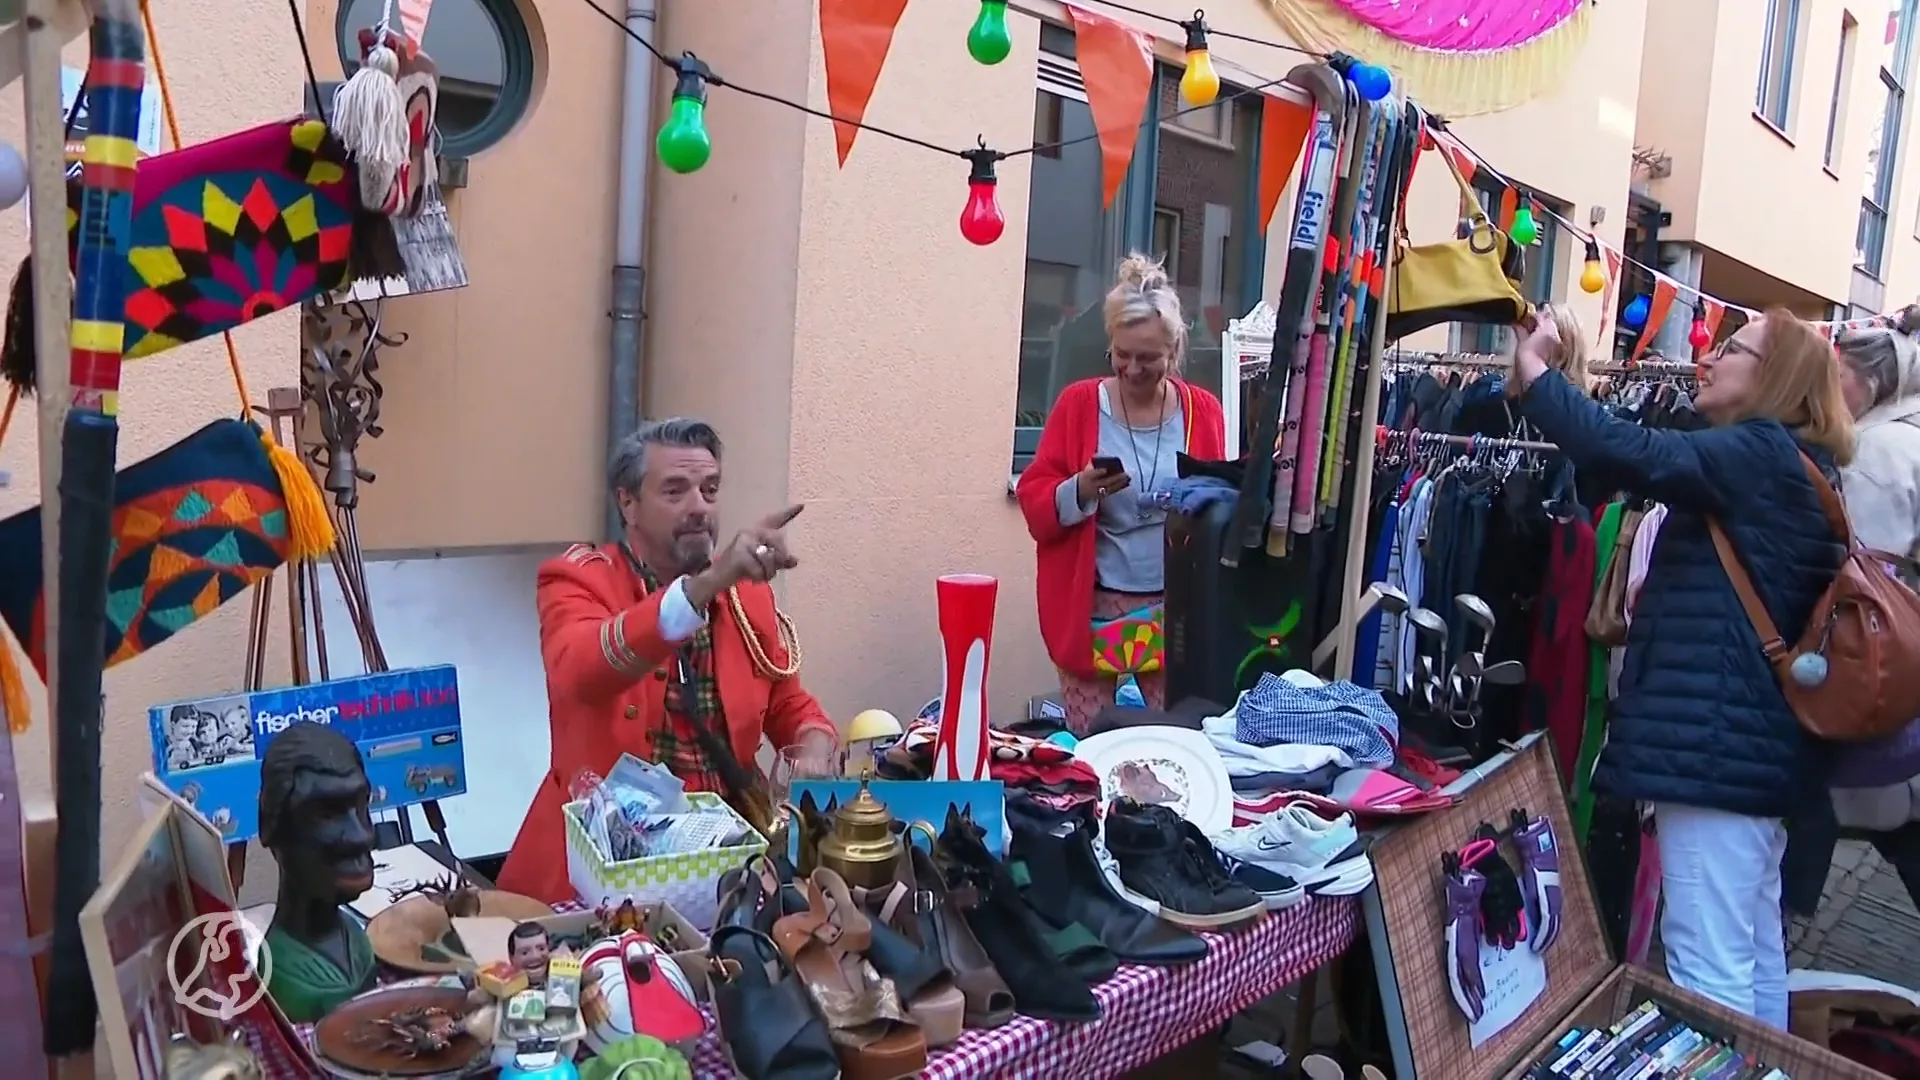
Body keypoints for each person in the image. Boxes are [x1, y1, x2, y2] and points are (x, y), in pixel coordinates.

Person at [1508, 306, 1852, 1027]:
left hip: (1715, 755)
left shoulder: (1759, 456)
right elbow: (1631, 451)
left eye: (1734, 348)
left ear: (1775, 376)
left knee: (1706, 964)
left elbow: (1638, 452)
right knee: (1751, 956)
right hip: (1746, 758)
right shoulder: (1787, 466)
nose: (1712, 357)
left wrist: (1538, 373)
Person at [498, 418, 838, 903]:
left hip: (728, 855)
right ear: (627, 503)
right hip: (609, 864)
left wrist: (814, 743)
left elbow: (787, 703)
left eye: (710, 489)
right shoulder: (578, 580)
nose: (699, 507)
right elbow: (584, 670)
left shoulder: (745, 594)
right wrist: (708, 585)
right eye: (675, 491)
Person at [1015, 254, 1226, 735]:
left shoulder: (1203, 413)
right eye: (1122, 354)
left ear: (1173, 352)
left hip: (1175, 610)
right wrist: (1081, 490)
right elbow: (1034, 501)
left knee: (1175, 741)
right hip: (1093, 608)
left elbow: (1217, 503)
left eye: (1148, 358)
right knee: (1093, 747)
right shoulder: (1078, 405)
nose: (1132, 369)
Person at [1783, 313, 1920, 913]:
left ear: (1865, 380)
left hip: (1880, 650)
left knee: (1840, 794)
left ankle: (1790, 915)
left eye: (1838, 374)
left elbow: (1865, 578)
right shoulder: (1906, 439)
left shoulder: (1874, 453)